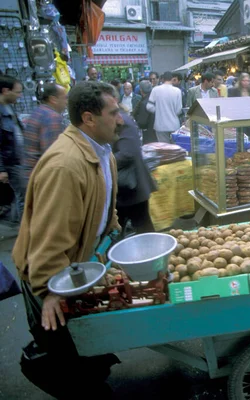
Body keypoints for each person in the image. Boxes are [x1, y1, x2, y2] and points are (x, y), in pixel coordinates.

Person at [13, 81, 123, 399]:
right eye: (114, 112)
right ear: (88, 118)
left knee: (85, 344)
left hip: (76, 267)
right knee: (62, 353)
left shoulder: (102, 152)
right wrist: (49, 292)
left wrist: (110, 235)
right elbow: (48, 240)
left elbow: (104, 206)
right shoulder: (65, 165)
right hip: (49, 275)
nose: (122, 118)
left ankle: (92, 379)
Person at [113, 111, 157, 233]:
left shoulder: (122, 121)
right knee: (117, 230)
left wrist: (103, 163)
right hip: (121, 191)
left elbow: (128, 153)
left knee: (143, 229)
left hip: (131, 187)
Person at [22, 83, 68, 182]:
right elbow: (52, 154)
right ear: (53, 99)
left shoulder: (38, 111)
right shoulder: (52, 117)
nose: (66, 102)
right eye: (65, 98)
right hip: (42, 178)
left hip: (30, 174)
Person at [0, 75, 25, 223]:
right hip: (11, 163)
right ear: (5, 91)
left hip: (16, 160)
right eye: (17, 92)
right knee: (23, 196)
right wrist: (1, 169)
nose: (20, 96)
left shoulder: (8, 108)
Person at [146, 71, 182, 143]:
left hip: (160, 125)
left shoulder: (155, 90)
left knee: (164, 149)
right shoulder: (177, 91)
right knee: (174, 149)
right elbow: (179, 110)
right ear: (171, 79)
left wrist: (158, 111)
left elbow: (149, 107)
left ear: (162, 79)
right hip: (174, 124)